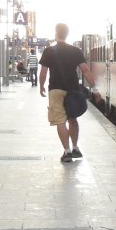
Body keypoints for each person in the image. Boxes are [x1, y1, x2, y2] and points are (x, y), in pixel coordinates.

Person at [38, 23, 99, 163]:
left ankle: (67, 152)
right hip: (73, 90)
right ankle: (76, 148)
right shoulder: (75, 51)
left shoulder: (49, 51)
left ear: (56, 33)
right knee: (73, 119)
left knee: (60, 121)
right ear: (67, 34)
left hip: (56, 90)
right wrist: (95, 89)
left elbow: (43, 72)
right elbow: (86, 70)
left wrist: (41, 86)